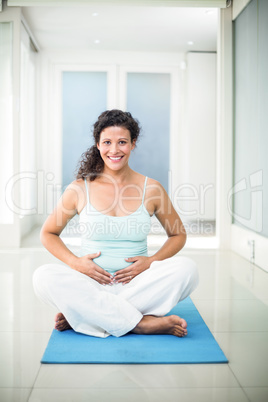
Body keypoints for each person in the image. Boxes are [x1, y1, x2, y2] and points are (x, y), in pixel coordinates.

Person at [33, 109, 199, 338]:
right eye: (107, 142)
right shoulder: (79, 188)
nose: (114, 150)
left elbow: (178, 235)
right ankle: (140, 324)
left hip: (138, 284)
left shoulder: (152, 189)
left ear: (133, 144)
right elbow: (48, 233)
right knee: (43, 276)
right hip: (89, 283)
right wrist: (75, 263)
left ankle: (88, 314)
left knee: (187, 269)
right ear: (98, 145)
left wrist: (151, 262)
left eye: (122, 142)